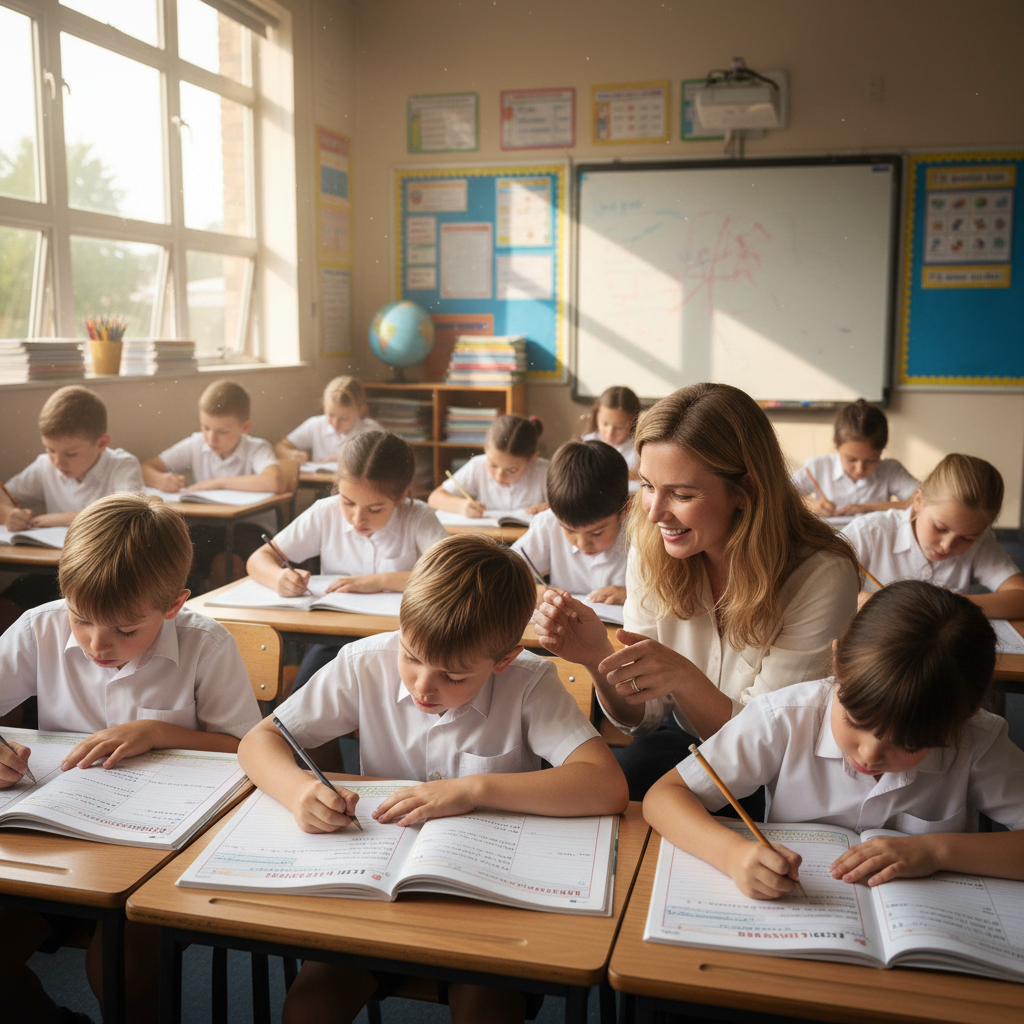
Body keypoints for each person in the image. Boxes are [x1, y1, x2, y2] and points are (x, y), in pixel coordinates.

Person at [239, 533, 628, 1024]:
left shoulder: (529, 682)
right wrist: (298, 791)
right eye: (412, 656)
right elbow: (257, 742)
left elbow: (606, 784)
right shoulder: (365, 663)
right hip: (377, 893)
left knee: (485, 1010)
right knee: (307, 1007)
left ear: (502, 659)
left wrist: (473, 789)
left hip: (485, 898)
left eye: (455, 675)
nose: (423, 685)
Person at [0, 492, 262, 1024]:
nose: (99, 643)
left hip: (160, 851)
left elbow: (249, 752)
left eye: (125, 629)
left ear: (173, 605)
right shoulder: (40, 627)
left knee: (120, 970)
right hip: (54, 841)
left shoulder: (205, 645)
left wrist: (156, 732)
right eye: (82, 620)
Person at [533, 382, 860, 801]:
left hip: (780, 768)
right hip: (684, 737)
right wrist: (599, 658)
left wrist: (683, 678)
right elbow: (646, 718)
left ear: (745, 490)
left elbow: (766, 747)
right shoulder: (654, 548)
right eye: (648, 485)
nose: (653, 513)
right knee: (618, 791)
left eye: (682, 494)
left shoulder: (820, 574)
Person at [643, 581, 1024, 900]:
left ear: (967, 714)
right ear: (839, 661)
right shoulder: (787, 717)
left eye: (908, 743)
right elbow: (664, 797)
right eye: (856, 720)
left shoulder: (976, 740)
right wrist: (732, 855)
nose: (871, 752)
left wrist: (936, 851)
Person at [247, 430, 448, 693]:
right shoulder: (325, 512)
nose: (357, 519)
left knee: (395, 705)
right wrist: (279, 578)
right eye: (347, 502)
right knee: (305, 701)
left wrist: (379, 582)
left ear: (400, 497)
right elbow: (258, 559)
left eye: (375, 509)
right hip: (334, 640)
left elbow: (450, 574)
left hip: (404, 642)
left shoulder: (417, 516)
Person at [0, 385, 144, 626]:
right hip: (55, 574)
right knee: (6, 608)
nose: (58, 461)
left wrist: (56, 518)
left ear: (101, 443)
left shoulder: (122, 465)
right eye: (50, 449)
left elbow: (129, 512)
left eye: (71, 453)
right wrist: (8, 513)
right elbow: (4, 495)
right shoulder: (45, 465)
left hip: (107, 576)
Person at [842, 453, 1024, 619]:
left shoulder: (981, 543)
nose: (946, 546)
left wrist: (949, 602)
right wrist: (859, 600)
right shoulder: (868, 533)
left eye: (966, 539)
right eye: (939, 528)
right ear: (918, 501)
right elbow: (820, 583)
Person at [142, 380, 285, 586]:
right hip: (209, 525)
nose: (211, 438)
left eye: (222, 431)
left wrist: (218, 483)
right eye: (205, 427)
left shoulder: (256, 448)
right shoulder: (196, 444)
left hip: (250, 529)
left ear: (245, 427)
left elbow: (275, 481)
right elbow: (147, 467)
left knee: (226, 564)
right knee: (176, 558)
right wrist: (162, 479)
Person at [511, 439, 629, 605]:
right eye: (570, 530)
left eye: (596, 533)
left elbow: (672, 594)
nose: (583, 544)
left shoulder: (643, 532)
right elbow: (504, 573)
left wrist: (632, 594)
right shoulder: (549, 523)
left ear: (625, 509)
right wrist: (533, 590)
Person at [793, 398, 918, 517]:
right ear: (837, 445)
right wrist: (810, 505)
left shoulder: (890, 470)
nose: (859, 469)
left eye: (871, 460)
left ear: (881, 451)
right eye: (851, 460)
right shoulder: (819, 467)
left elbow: (926, 500)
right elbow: (779, 495)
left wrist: (869, 507)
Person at [428, 413, 548, 516]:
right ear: (486, 451)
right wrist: (462, 506)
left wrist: (553, 509)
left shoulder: (546, 472)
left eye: (512, 470)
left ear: (532, 459)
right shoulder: (478, 465)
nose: (499, 477)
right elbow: (435, 498)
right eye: (493, 465)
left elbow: (566, 507)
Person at [275, 375, 381, 464]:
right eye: (330, 415)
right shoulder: (316, 425)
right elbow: (280, 447)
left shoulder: (371, 430)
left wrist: (341, 458)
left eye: (344, 419)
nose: (335, 424)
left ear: (361, 411)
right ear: (324, 407)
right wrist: (291, 454)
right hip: (321, 486)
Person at [580, 385, 641, 476]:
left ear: (633, 423)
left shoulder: (638, 451)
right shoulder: (587, 442)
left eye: (619, 427)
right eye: (605, 424)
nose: (610, 434)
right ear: (596, 416)